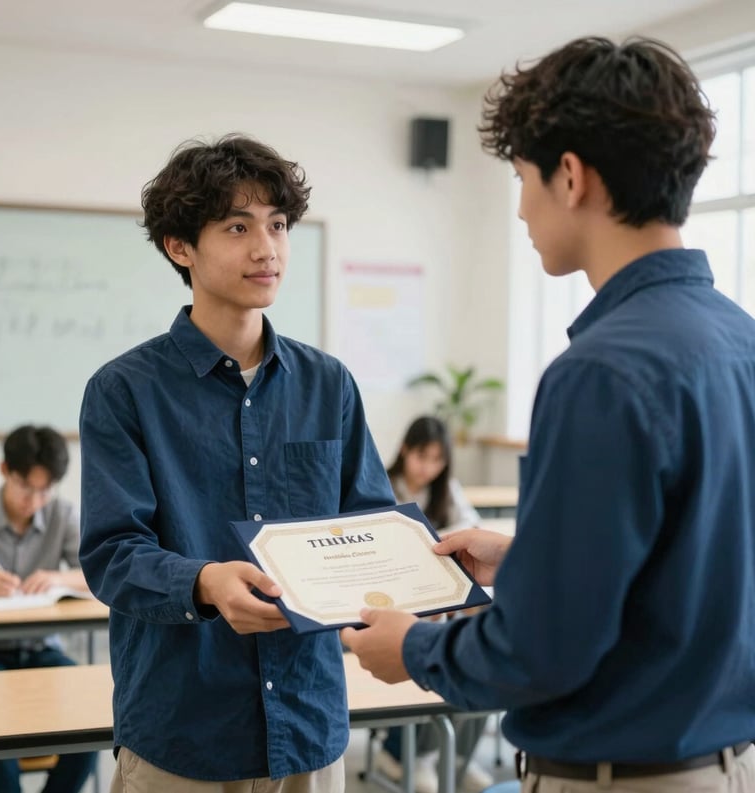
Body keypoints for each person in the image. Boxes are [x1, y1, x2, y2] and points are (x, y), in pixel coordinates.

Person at [342, 36, 755, 793]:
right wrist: (530, 560)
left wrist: (416, 650)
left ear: (570, 176)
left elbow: (545, 648)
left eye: (522, 179)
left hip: (621, 776)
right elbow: (697, 561)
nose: (523, 210)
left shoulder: (601, 370)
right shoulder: (741, 339)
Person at [78, 134, 395, 793]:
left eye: (278, 225)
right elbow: (113, 552)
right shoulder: (125, 390)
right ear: (180, 246)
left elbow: (371, 519)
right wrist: (203, 583)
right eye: (237, 226)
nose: (267, 248)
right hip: (183, 729)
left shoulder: (327, 383)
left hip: (308, 725)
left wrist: (416, 580)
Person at [375, 415, 493, 793]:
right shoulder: (379, 484)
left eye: (437, 460)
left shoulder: (448, 491)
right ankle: (405, 753)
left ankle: (458, 756)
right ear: (405, 450)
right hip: (395, 595)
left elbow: (471, 531)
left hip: (440, 591)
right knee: (427, 641)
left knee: (486, 638)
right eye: (422, 456)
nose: (428, 468)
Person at [0, 424, 96, 793]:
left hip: (42, 652)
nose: (34, 501)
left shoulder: (62, 514)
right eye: (26, 488)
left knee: (89, 719)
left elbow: (98, 570)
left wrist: (59, 578)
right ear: (5, 471)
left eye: (44, 491)